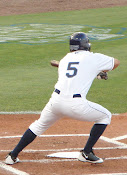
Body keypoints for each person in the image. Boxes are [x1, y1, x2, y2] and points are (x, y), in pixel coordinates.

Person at [5, 32, 120, 165]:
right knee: (105, 116)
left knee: (39, 125)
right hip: (75, 104)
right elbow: (116, 63)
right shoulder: (92, 58)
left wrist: (95, 72)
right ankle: (86, 152)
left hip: (55, 102)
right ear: (86, 45)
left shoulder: (65, 59)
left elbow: (76, 74)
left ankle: (12, 155)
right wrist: (101, 72)